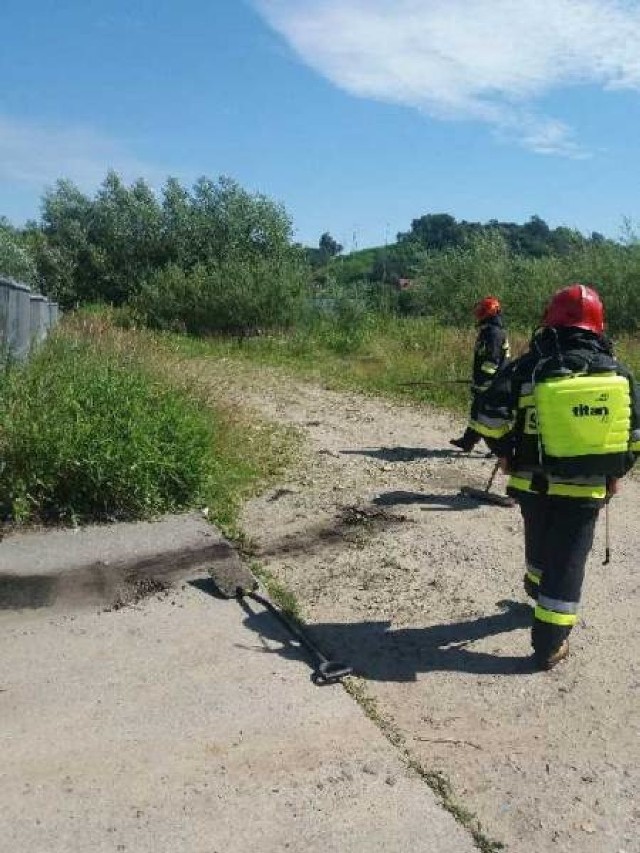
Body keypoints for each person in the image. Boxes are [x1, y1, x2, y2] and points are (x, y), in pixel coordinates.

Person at [470, 284, 640, 669]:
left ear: (549, 323)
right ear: (599, 326)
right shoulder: (619, 372)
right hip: (587, 490)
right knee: (567, 564)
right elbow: (635, 437)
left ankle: (536, 588)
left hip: (532, 484)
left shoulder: (528, 365)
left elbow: (487, 419)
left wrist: (507, 453)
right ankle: (549, 645)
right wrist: (615, 470)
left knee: (540, 535)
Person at [450, 296, 510, 452]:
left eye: (481, 311)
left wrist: (483, 382)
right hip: (490, 381)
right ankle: (468, 441)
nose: (477, 314)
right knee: (477, 411)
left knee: (487, 415)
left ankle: (500, 449)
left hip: (494, 382)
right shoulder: (489, 331)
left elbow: (492, 361)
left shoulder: (493, 333)